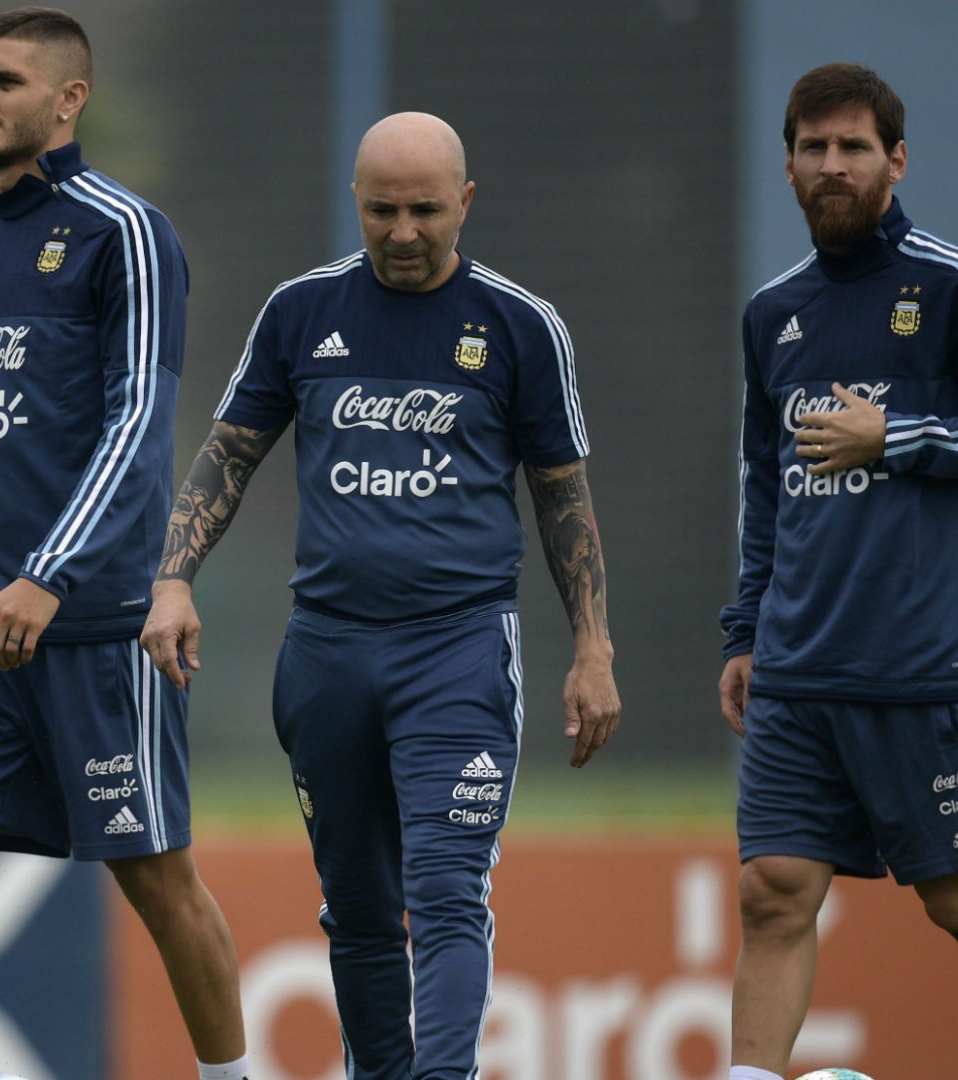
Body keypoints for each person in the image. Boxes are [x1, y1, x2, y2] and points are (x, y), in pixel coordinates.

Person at [142, 112, 622, 1079]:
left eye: (426, 211)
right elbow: (228, 455)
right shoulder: (300, 312)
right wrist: (172, 580)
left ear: (466, 203)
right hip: (327, 653)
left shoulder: (520, 326)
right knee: (358, 909)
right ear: (354, 201)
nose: (404, 232)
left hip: (458, 652)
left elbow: (563, 497)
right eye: (382, 211)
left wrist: (593, 647)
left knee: (445, 893)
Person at [0, 9, 248, 1080]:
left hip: (93, 629)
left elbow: (138, 427)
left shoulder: (125, 231)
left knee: (157, 881)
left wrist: (49, 572)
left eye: (5, 79)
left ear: (70, 99)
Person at [718, 63, 958, 1080]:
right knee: (773, 892)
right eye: (813, 148)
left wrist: (896, 436)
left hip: (919, 667)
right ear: (787, 166)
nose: (833, 165)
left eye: (853, 147)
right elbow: (765, 483)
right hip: (796, 668)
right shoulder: (772, 313)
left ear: (896, 160)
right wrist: (745, 631)